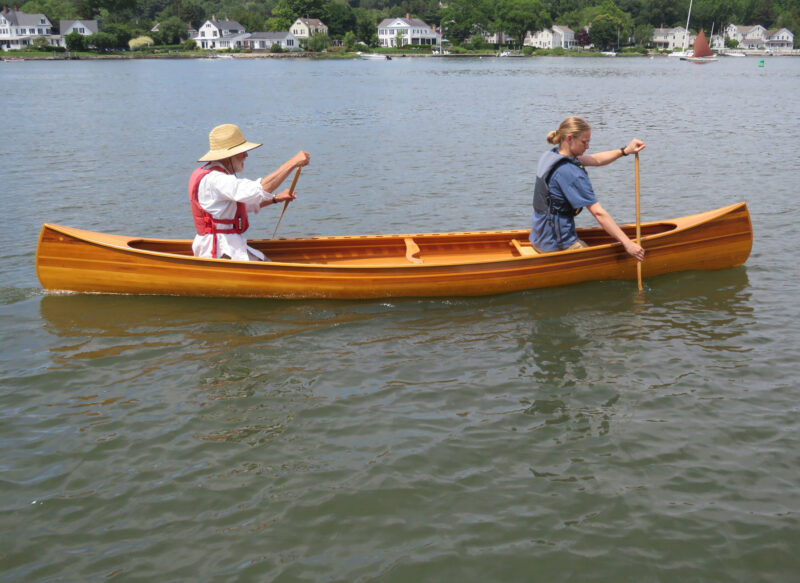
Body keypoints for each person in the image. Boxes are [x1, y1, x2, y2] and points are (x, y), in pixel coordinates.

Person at [530, 116, 646, 261]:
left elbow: (595, 160)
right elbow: (599, 213)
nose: (587, 146)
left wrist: (625, 151)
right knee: (603, 259)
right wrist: (628, 244)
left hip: (538, 237)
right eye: (584, 142)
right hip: (556, 246)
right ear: (569, 138)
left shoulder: (551, 155)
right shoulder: (571, 173)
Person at [189, 123, 310, 260]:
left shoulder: (211, 175)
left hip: (227, 246)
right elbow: (260, 189)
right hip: (220, 251)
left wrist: (275, 198)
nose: (246, 155)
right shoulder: (217, 180)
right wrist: (293, 163)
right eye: (242, 152)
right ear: (228, 155)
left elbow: (236, 208)